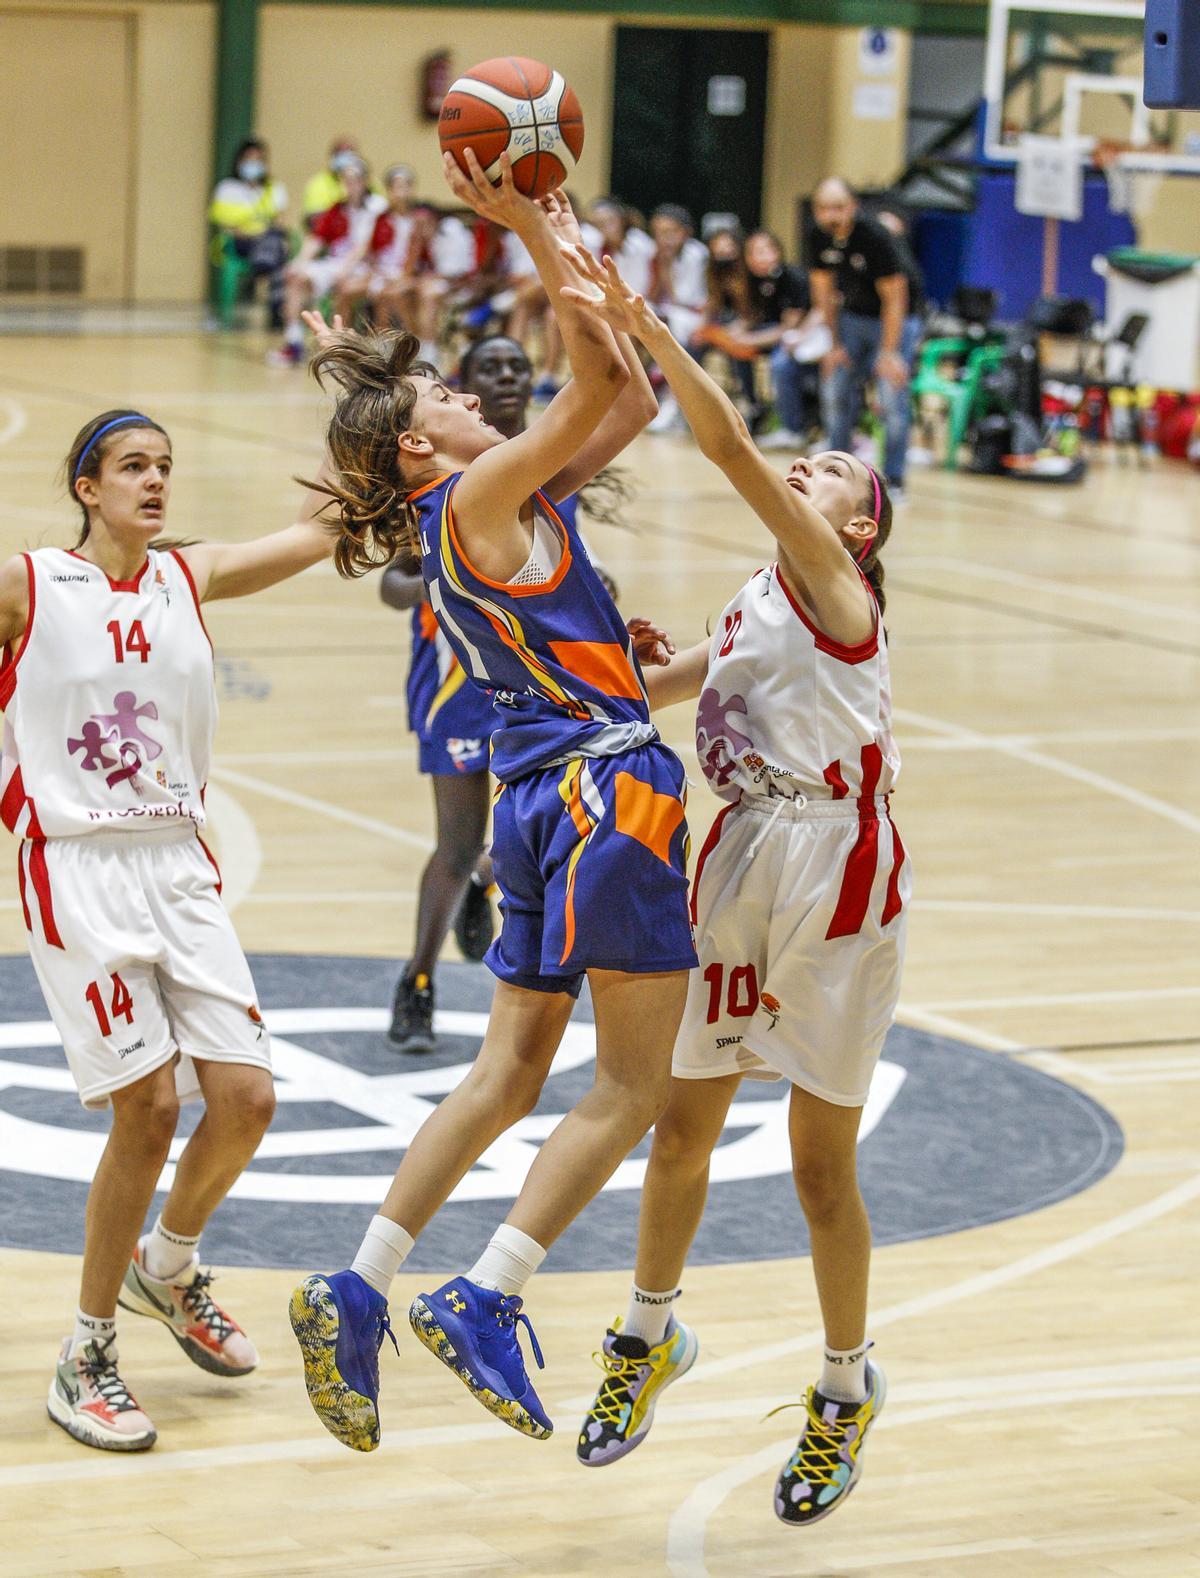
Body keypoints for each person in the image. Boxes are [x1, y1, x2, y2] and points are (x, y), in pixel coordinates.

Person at [288, 152, 692, 1455]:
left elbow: (631, 393)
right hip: (605, 791)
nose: (471, 393)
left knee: (509, 1069)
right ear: (422, 446)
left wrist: (565, 233)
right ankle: (489, 1288)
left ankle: (360, 1281)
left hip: (535, 799)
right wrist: (528, 224)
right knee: (634, 1084)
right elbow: (598, 384)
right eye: (449, 396)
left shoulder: (501, 503)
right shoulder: (475, 496)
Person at [560, 246, 908, 1526]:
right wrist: (581, 663)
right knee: (679, 1123)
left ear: (858, 526)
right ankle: (649, 1335)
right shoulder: (766, 593)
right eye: (807, 459)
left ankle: (845, 1386)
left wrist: (649, 329)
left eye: (834, 468)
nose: (809, 464)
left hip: (839, 871)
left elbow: (727, 448)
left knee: (820, 1166)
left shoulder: (835, 582)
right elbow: (664, 685)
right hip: (746, 853)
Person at [0, 352, 340, 1453]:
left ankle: (167, 1266)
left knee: (246, 1100)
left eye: (165, 465)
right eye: (132, 467)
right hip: (76, 868)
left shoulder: (187, 578)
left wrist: (364, 404)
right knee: (146, 1111)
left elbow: (323, 529)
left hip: (178, 864)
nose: (154, 481)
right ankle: (86, 1354)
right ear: (87, 487)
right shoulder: (28, 585)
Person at [380, 333, 629, 1054]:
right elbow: (393, 580)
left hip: (540, 684)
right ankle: (417, 980)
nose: (504, 379)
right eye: (488, 369)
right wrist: (451, 576)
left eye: (518, 367)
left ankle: (497, 893)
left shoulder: (536, 461)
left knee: (537, 825)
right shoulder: (455, 485)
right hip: (458, 683)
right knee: (456, 842)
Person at [808, 177, 915, 495]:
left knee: (891, 397)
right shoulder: (818, 237)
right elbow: (823, 292)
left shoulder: (875, 237)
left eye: (838, 208)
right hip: (852, 319)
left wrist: (889, 352)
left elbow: (895, 299)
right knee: (835, 390)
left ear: (853, 207)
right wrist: (833, 344)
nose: (831, 216)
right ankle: (836, 471)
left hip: (895, 319)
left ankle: (893, 479)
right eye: (824, 208)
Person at [271, 157, 386, 366]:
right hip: (336, 263)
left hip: (365, 265)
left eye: (354, 179)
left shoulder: (377, 206)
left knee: (345, 287)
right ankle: (293, 342)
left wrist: (345, 269)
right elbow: (316, 239)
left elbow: (366, 246)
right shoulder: (337, 208)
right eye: (345, 180)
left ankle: (340, 349)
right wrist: (299, 261)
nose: (350, 184)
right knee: (295, 277)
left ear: (365, 180)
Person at [208, 137, 290, 327]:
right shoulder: (227, 188)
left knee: (275, 243)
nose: (253, 164)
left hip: (269, 239)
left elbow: (280, 222)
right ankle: (277, 311)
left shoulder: (273, 188)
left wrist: (268, 233)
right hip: (240, 243)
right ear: (239, 161)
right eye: (248, 159)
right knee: (275, 252)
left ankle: (259, 272)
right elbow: (227, 226)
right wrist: (256, 234)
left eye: (258, 160)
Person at [645, 205, 710, 432]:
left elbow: (682, 298)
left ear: (686, 232)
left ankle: (670, 399)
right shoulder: (655, 253)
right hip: (669, 313)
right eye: (659, 232)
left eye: (670, 232)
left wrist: (666, 269)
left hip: (694, 316)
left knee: (670, 325)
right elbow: (652, 295)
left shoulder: (697, 254)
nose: (664, 238)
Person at [302, 137, 365, 229]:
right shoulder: (318, 184)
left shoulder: (367, 182)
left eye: (349, 153)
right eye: (341, 154)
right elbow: (314, 219)